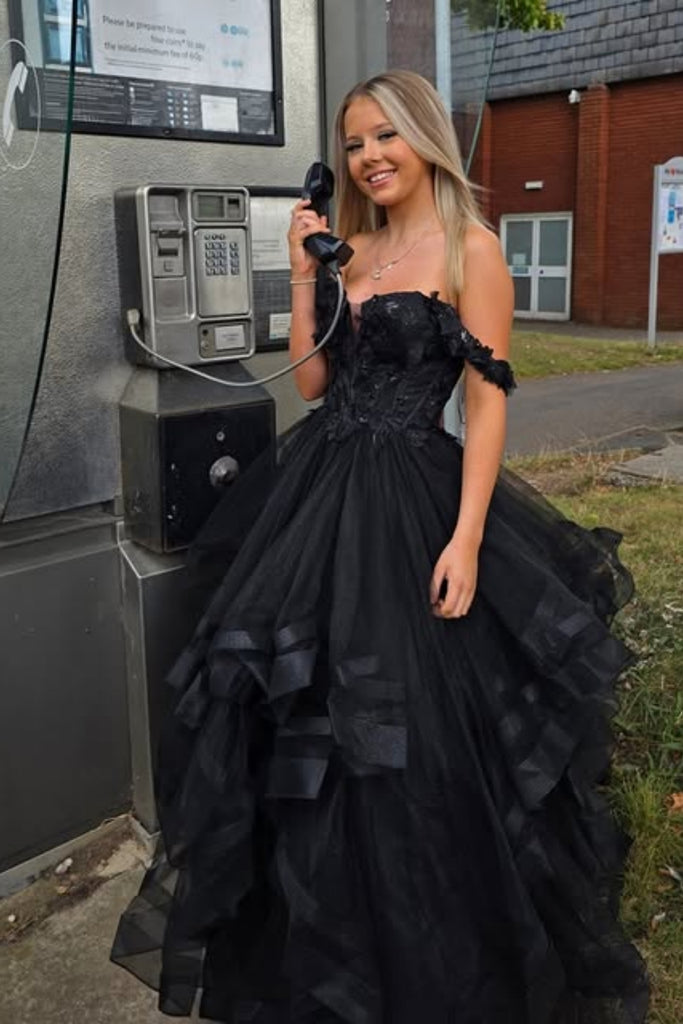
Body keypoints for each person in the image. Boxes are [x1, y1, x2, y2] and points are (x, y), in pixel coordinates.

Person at [112, 70, 649, 1023]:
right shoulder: (350, 246)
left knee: (414, 732)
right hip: (317, 496)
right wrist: (307, 269)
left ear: (424, 139)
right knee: (303, 716)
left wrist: (469, 537)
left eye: (384, 137)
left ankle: (436, 946)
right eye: (354, 141)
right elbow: (312, 384)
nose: (368, 156)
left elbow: (485, 405)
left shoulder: (472, 250)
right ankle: (323, 947)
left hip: (414, 501)